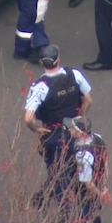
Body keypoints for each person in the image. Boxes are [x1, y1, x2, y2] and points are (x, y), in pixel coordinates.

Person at [23, 44, 93, 176]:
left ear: (41, 62)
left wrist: (36, 129)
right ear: (58, 60)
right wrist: (79, 118)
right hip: (77, 131)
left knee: (57, 173)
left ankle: (60, 194)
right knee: (78, 166)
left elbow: (28, 118)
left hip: (53, 134)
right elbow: (88, 100)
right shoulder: (74, 75)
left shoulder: (40, 87)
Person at [62, 116, 111, 223]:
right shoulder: (98, 138)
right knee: (94, 212)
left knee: (84, 218)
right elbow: (105, 164)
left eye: (73, 128)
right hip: (98, 183)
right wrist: (103, 187)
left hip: (86, 192)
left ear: (80, 133)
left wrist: (100, 195)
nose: (70, 129)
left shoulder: (82, 155)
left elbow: (87, 183)